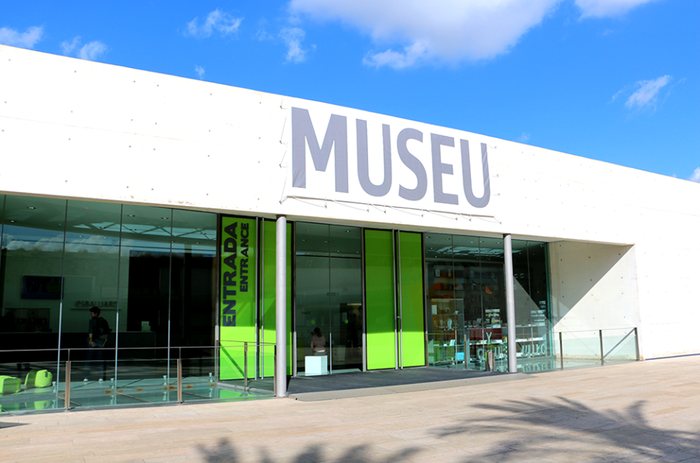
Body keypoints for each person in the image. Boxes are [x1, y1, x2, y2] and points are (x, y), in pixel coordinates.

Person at [84, 306, 108, 381]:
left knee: (88, 359)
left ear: (96, 313)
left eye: (92, 313)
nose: (91, 314)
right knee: (100, 360)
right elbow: (107, 332)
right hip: (101, 342)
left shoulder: (92, 321)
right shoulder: (104, 321)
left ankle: (86, 377)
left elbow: (90, 331)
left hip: (93, 342)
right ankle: (101, 377)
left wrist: (90, 340)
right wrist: (104, 342)